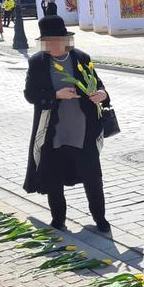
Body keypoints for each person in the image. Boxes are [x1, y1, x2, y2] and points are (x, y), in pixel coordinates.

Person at [23, 15, 111, 233]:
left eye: (55, 40)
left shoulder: (81, 58)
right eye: (47, 41)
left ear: (65, 39)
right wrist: (56, 95)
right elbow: (30, 94)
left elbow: (99, 86)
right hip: (53, 131)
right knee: (54, 179)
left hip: (83, 130)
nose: (51, 45)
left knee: (93, 178)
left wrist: (102, 94)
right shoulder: (37, 62)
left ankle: (100, 218)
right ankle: (58, 219)